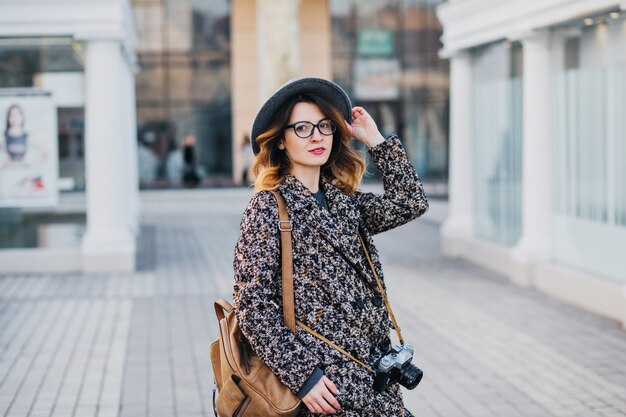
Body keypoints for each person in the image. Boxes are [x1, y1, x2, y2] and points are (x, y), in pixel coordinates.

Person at [232, 78, 428, 416]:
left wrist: (376, 141)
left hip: (374, 374)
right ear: (281, 140)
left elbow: (410, 202)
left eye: (324, 126)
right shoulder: (269, 207)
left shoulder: (344, 202)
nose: (317, 136)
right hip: (325, 390)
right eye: (303, 128)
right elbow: (253, 305)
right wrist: (304, 376)